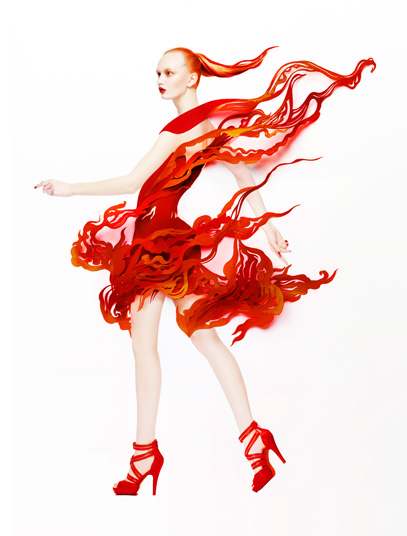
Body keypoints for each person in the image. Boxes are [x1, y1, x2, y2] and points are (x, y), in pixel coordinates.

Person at [35, 47, 375, 495]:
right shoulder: (210, 130)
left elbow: (132, 183)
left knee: (147, 349)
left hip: (154, 246)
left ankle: (144, 456)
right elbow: (244, 175)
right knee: (204, 340)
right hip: (172, 244)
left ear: (192, 78)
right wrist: (267, 225)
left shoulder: (177, 129)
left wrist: (71, 188)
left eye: (169, 72)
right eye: (157, 72)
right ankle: (253, 440)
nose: (160, 79)